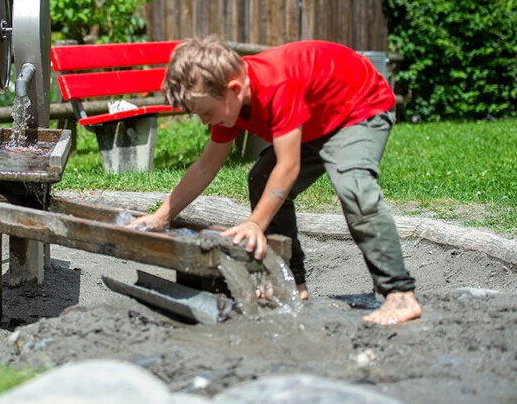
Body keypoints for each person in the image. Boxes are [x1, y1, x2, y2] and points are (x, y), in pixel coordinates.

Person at [129, 37, 422, 325]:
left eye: (206, 112)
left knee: (354, 188)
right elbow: (206, 166)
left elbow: (289, 165)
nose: (205, 122)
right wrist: (162, 216)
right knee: (262, 178)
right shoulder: (230, 104)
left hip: (359, 107)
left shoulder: (276, 85)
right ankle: (293, 283)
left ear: (233, 89)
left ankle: (399, 293)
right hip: (314, 119)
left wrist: (256, 223)